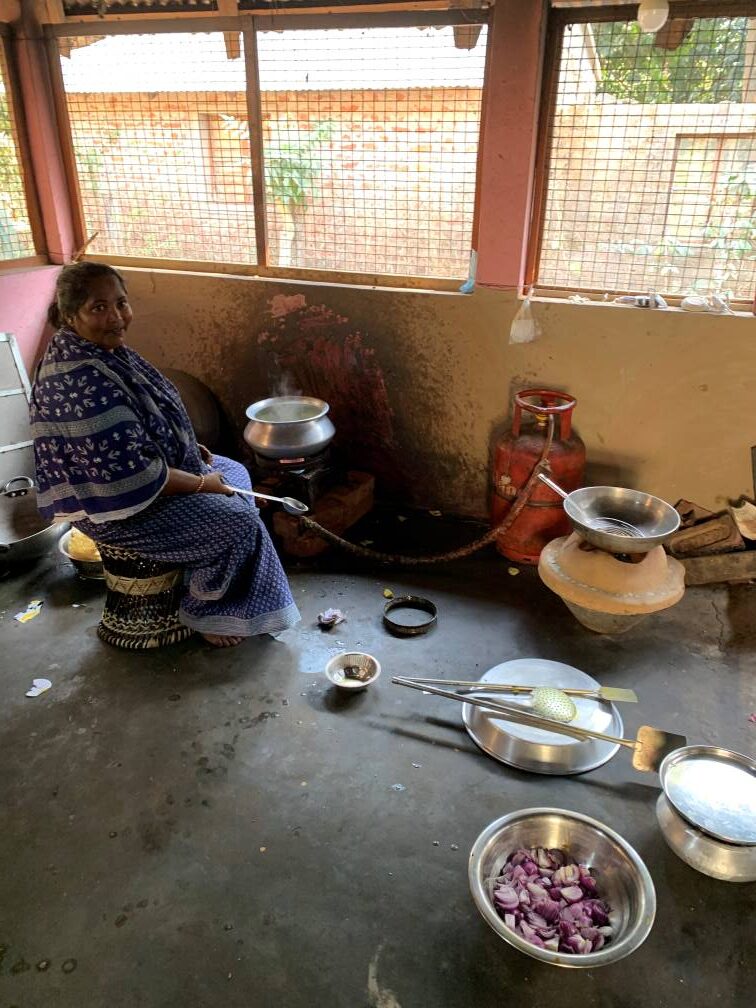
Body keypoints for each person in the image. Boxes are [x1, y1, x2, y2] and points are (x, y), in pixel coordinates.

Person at [30, 262, 300, 647]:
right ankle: (208, 611)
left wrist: (188, 448)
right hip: (114, 510)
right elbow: (132, 477)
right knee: (240, 520)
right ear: (71, 315)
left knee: (235, 473)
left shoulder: (103, 352)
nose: (116, 317)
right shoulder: (77, 381)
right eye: (99, 308)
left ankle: (205, 575)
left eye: (121, 303)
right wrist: (202, 484)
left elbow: (144, 421)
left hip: (143, 488)